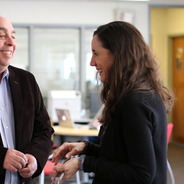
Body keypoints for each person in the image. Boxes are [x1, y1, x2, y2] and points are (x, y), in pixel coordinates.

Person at [52, 21, 175, 184]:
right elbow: (119, 154)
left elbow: (141, 174)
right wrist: (85, 147)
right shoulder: (140, 95)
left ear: (117, 55)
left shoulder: (134, 102)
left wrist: (83, 163)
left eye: (96, 53)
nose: (92, 62)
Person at [0, 16, 54, 183]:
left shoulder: (26, 81)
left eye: (13, 36)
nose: (11, 42)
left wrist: (34, 157)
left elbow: (44, 129)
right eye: (2, 36)